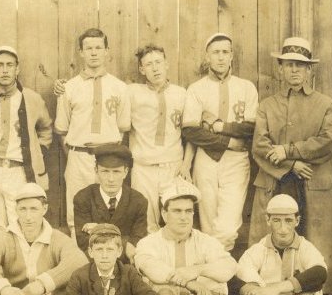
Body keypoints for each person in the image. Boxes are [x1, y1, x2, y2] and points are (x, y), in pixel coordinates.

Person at [248, 37, 332, 295]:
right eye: (289, 64)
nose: (294, 70)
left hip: (313, 182)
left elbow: (325, 142)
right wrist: (291, 164)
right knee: (276, 235)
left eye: (300, 66)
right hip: (277, 180)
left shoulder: (325, 104)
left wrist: (289, 150)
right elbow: (260, 146)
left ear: (309, 71)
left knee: (314, 238)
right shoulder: (267, 106)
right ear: (280, 69)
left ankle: (318, 294)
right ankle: (270, 292)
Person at [134, 178, 237, 295]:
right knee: (162, 289)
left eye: (188, 211)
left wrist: (198, 270)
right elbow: (152, 269)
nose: (184, 217)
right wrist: (191, 283)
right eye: (177, 211)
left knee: (214, 280)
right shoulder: (149, 243)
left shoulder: (205, 241)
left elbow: (229, 267)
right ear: (164, 214)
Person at [182, 33, 258, 253]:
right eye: (216, 52)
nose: (221, 57)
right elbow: (191, 131)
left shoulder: (246, 87)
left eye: (225, 52)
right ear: (207, 56)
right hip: (205, 160)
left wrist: (218, 126)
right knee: (207, 224)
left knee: (227, 228)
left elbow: (251, 128)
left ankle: (215, 276)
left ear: (232, 55)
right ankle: (215, 283)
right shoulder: (197, 89)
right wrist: (228, 141)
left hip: (236, 161)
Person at [0, 46, 52, 243]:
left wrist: (36, 154)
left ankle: (22, 271)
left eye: (9, 65)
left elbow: (46, 129)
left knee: (23, 224)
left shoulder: (32, 99)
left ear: (17, 69)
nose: (5, 70)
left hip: (21, 171)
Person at [54, 28, 130, 237]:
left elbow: (122, 128)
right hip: (78, 157)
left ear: (107, 51)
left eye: (98, 47)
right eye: (88, 48)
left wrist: (108, 152)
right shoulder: (69, 88)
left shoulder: (119, 87)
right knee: (76, 213)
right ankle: (80, 263)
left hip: (109, 159)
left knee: (108, 211)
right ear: (81, 52)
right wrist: (75, 155)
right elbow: (62, 129)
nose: (94, 53)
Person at [237, 194, 327, 295]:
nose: (283, 228)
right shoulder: (259, 249)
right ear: (268, 220)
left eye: (288, 220)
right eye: (277, 220)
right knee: (247, 290)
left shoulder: (306, 248)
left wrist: (275, 289)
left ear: (297, 221)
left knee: (308, 293)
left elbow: (320, 273)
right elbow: (241, 275)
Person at [128, 44, 195, 233]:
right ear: (142, 69)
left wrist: (186, 164)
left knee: (175, 220)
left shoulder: (181, 93)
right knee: (146, 222)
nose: (155, 68)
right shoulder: (132, 92)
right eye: (148, 64)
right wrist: (62, 86)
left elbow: (190, 134)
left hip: (173, 167)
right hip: (143, 167)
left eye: (158, 62)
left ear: (166, 64)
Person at [73, 144, 147, 262]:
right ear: (96, 171)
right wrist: (124, 242)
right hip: (95, 264)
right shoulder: (83, 198)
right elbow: (84, 242)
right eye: (105, 171)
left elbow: (137, 242)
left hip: (126, 266)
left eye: (116, 172)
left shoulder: (138, 201)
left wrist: (99, 230)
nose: (111, 179)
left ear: (125, 172)